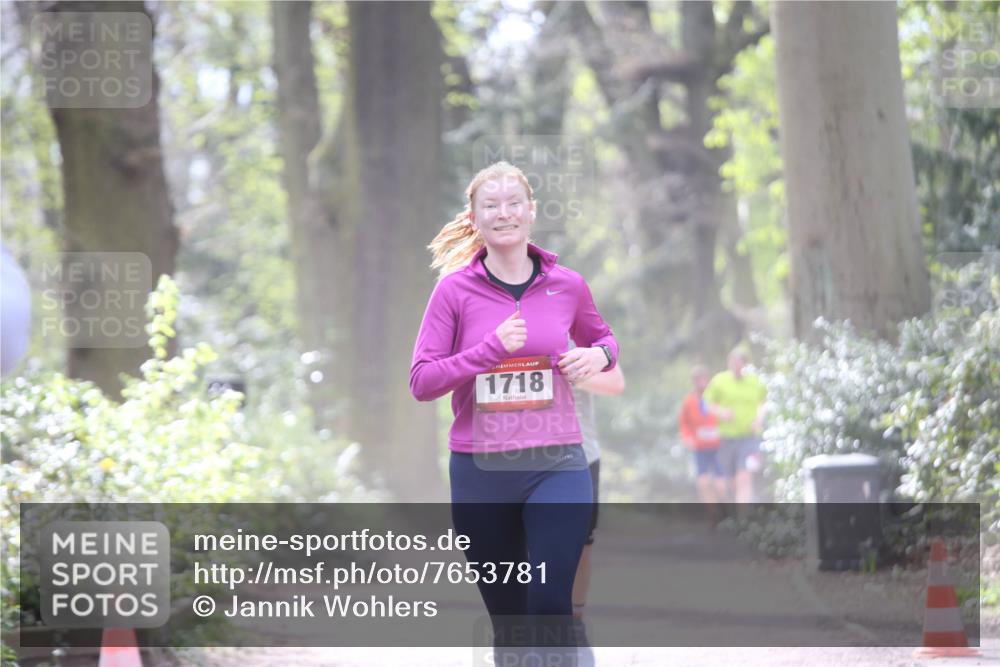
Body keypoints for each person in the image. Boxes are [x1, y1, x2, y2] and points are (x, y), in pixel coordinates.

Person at [409, 161, 619, 657]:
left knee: (549, 603)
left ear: (531, 211)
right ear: (475, 218)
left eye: (513, 203)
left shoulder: (567, 284)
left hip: (557, 462)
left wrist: (599, 356)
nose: (503, 213)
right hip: (482, 472)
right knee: (509, 623)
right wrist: (489, 350)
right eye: (491, 205)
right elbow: (422, 382)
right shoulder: (453, 291)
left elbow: (605, 339)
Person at [570, 361, 625, 620]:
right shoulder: (508, 338)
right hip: (524, 457)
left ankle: (576, 620)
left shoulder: (582, 337)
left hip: (582, 456)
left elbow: (615, 383)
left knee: (582, 548)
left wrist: (568, 372)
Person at [703, 347, 767, 503]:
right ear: (729, 363)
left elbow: (763, 402)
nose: (737, 366)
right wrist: (721, 412)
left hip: (749, 436)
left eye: (740, 363)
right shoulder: (719, 381)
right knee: (731, 480)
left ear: (745, 364)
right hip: (726, 437)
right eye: (733, 363)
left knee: (744, 476)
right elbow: (706, 404)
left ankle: (743, 513)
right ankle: (733, 506)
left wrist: (759, 418)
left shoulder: (754, 381)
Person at [678, 364, 727, 506]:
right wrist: (686, 438)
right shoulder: (688, 401)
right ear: (693, 382)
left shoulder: (718, 399)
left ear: (708, 380)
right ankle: (710, 510)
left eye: (703, 380)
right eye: (697, 380)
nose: (701, 384)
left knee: (720, 484)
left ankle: (723, 507)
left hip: (718, 446)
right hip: (699, 447)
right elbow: (684, 423)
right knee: (703, 482)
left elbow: (727, 417)